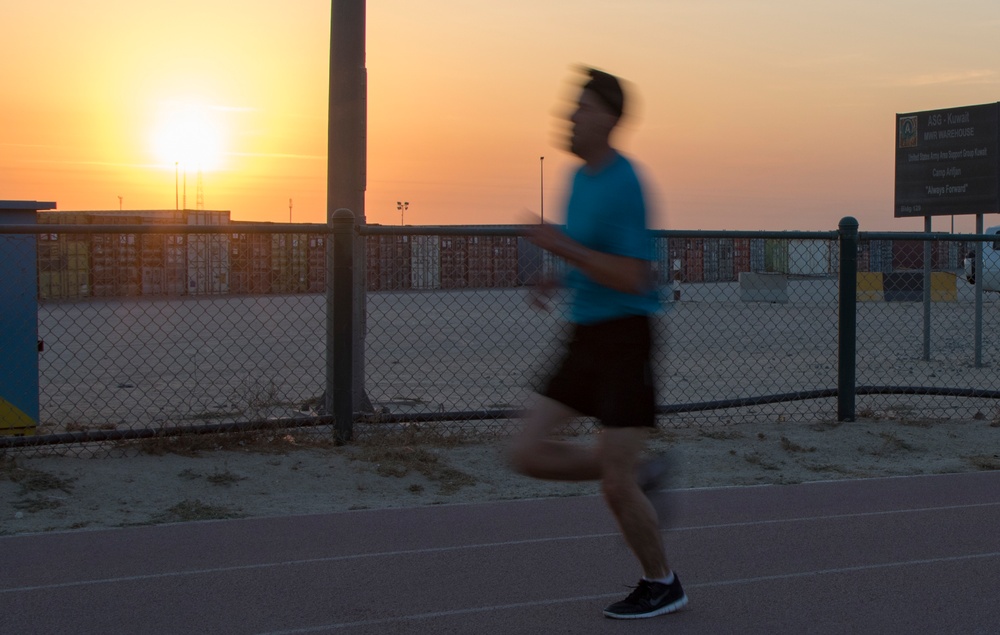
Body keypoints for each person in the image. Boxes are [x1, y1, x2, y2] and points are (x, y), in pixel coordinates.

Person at [509, 67, 686, 620]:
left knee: (613, 485)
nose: (569, 115)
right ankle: (639, 471)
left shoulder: (627, 182)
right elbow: (589, 252)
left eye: (580, 107)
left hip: (625, 339)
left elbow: (634, 276)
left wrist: (562, 250)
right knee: (524, 452)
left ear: (607, 119)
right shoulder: (579, 179)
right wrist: (556, 275)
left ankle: (663, 582)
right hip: (583, 337)